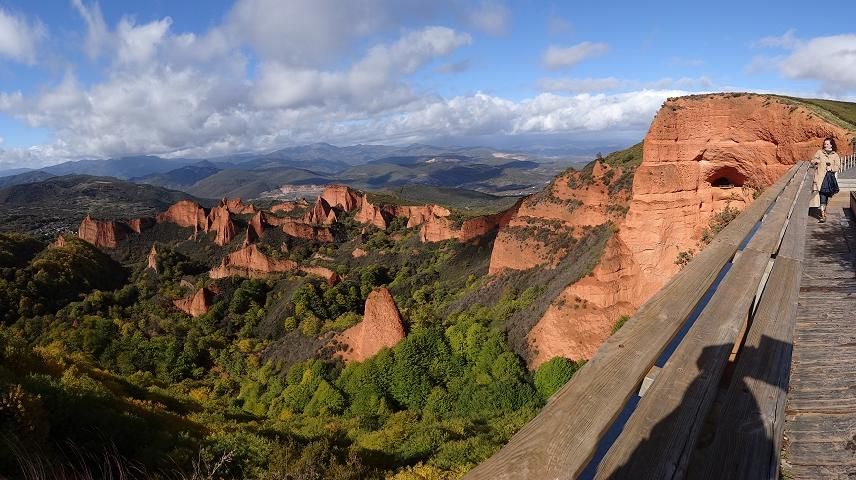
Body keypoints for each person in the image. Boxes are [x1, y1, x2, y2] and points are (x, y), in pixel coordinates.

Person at [811, 137, 841, 222]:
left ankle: (824, 210)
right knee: (822, 195)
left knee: (826, 195)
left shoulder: (835, 155)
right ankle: (823, 215)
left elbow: (837, 166)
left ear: (831, 145)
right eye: (824, 144)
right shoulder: (819, 152)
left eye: (827, 144)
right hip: (820, 178)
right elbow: (813, 160)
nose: (825, 145)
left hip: (829, 178)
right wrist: (816, 161)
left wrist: (831, 168)